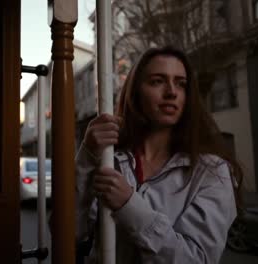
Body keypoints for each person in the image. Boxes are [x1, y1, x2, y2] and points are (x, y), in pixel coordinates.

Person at [75, 46, 242, 264]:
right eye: (157, 81)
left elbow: (197, 259)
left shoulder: (211, 171)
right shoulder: (111, 160)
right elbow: (67, 233)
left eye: (181, 84)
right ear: (135, 92)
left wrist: (129, 205)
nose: (172, 92)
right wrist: (87, 155)